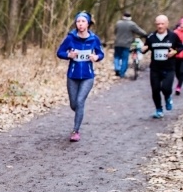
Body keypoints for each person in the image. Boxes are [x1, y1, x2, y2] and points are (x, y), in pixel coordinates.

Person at [56, 11, 104, 142]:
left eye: (83, 21)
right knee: (74, 104)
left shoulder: (94, 39)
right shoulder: (70, 38)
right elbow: (59, 52)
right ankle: (79, 113)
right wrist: (68, 55)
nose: (80, 24)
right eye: (78, 21)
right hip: (72, 76)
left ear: (88, 24)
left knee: (80, 101)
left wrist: (96, 57)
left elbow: (101, 54)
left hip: (88, 76)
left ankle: (75, 131)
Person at [141, 15, 183, 118]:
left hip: (169, 67)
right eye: (158, 24)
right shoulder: (151, 36)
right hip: (155, 68)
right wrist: (142, 49)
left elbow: (181, 46)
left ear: (167, 24)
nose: (160, 26)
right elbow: (145, 48)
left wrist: (175, 51)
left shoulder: (173, 36)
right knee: (155, 89)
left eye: (162, 24)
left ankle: (168, 97)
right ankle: (158, 110)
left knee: (165, 88)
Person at [112, 11, 147, 78]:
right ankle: (122, 73)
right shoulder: (131, 24)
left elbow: (115, 32)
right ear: (130, 17)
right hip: (126, 44)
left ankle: (117, 68)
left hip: (117, 43)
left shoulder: (118, 23)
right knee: (125, 58)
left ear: (123, 16)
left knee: (117, 57)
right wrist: (145, 35)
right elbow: (139, 31)